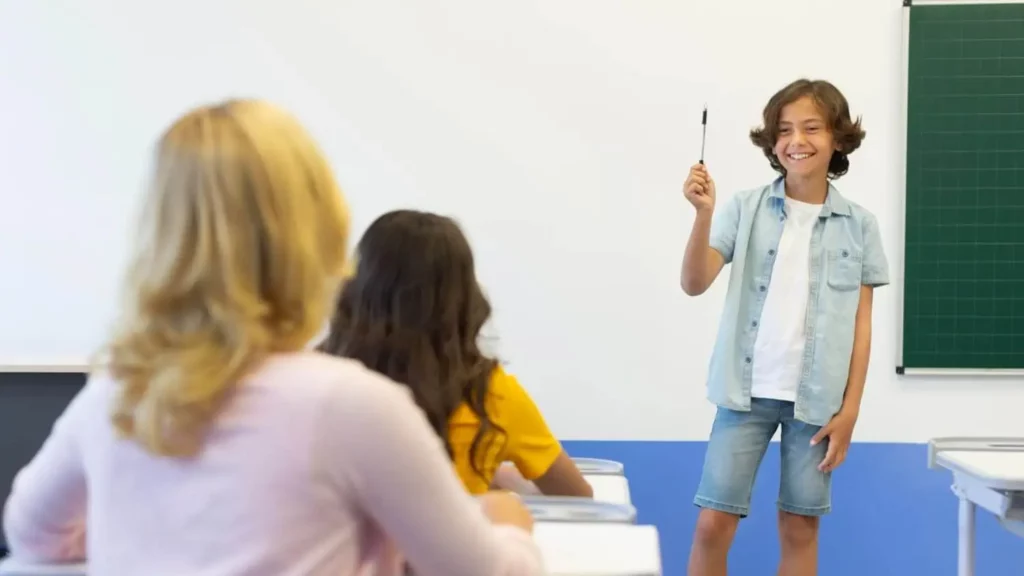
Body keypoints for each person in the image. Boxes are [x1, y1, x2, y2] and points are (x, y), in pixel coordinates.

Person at [2, 100, 544, 576]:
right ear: (318, 230)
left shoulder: (116, 396)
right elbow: (485, 572)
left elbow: (32, 538)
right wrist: (510, 525)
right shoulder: (352, 405)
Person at [680, 79, 889, 576]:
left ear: (838, 138)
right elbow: (694, 283)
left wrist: (851, 410)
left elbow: (862, 326)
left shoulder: (860, 225)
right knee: (712, 524)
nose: (797, 140)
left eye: (811, 128)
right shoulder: (744, 207)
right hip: (742, 393)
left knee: (800, 529)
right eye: (784, 130)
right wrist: (703, 215)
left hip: (817, 403)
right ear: (772, 143)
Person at [318, 209, 593, 498]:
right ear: (464, 299)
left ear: (357, 286)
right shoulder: (492, 397)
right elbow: (577, 496)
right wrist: (484, 467)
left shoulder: (313, 379)